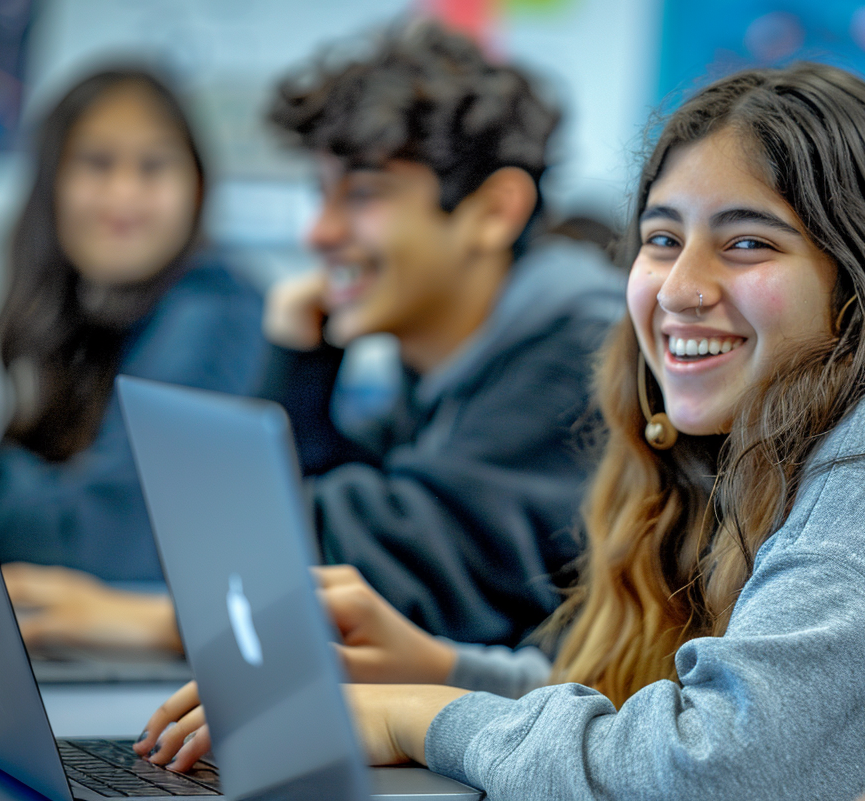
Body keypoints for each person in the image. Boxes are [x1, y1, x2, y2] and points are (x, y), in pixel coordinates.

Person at [140, 63, 865, 799]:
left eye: (747, 244)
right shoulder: (740, 438)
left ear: (862, 278)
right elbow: (660, 706)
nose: (680, 289)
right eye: (660, 239)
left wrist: (412, 720)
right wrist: (440, 670)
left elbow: (724, 770)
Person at [6, 20, 624, 651]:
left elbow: (360, 578)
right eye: (321, 195)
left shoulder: (581, 357)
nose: (318, 234)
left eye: (361, 195)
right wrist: (305, 363)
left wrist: (151, 623)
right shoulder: (444, 375)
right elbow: (271, 534)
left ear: (493, 212)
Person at [0, 69, 266, 586]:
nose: (124, 195)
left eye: (153, 166)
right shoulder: (94, 316)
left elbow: (107, 544)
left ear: (197, 185)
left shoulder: (214, 311)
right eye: (97, 163)